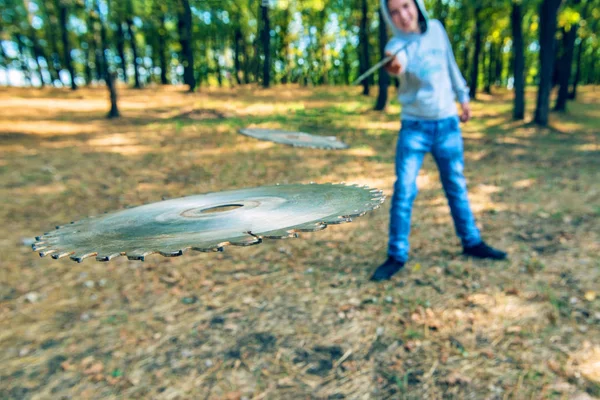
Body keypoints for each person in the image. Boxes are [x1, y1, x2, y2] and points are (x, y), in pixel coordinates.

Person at [370, 0, 507, 281]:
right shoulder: (396, 46)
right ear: (388, 17)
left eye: (406, 6)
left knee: (456, 185)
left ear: (416, 5)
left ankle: (472, 242)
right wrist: (393, 65)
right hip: (414, 128)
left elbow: (450, 64)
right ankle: (396, 254)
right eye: (394, 12)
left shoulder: (436, 30)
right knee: (404, 190)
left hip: (447, 124)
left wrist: (463, 96)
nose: (403, 15)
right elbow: (396, 64)